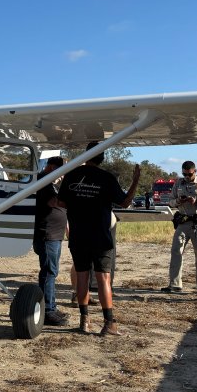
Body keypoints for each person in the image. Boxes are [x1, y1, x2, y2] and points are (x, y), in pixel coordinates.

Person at [58, 141, 140, 336]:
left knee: (82, 276)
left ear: (86, 156)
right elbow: (126, 202)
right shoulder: (106, 178)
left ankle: (84, 321)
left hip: (78, 234)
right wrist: (135, 180)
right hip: (100, 235)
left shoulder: (72, 175)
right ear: (102, 158)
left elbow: (61, 202)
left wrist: (78, 206)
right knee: (103, 278)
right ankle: (108, 323)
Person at [162, 161, 197, 294]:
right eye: (184, 174)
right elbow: (170, 201)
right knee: (176, 252)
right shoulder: (178, 183)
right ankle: (175, 284)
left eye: (189, 174)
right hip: (182, 222)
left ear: (195, 171)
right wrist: (178, 201)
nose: (186, 176)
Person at [34, 156, 69, 326]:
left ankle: (50, 306)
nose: (62, 176)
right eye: (61, 171)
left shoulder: (50, 183)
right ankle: (47, 310)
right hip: (47, 235)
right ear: (52, 167)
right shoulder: (43, 182)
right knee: (49, 272)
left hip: (54, 235)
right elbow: (53, 202)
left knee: (51, 272)